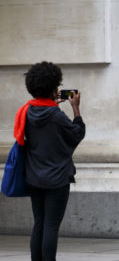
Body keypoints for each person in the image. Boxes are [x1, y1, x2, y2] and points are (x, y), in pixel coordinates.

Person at [16, 61, 85, 261]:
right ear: (54, 87)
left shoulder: (26, 111)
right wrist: (76, 109)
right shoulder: (56, 115)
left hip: (33, 177)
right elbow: (77, 133)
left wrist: (52, 103)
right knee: (51, 226)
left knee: (39, 223)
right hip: (56, 179)